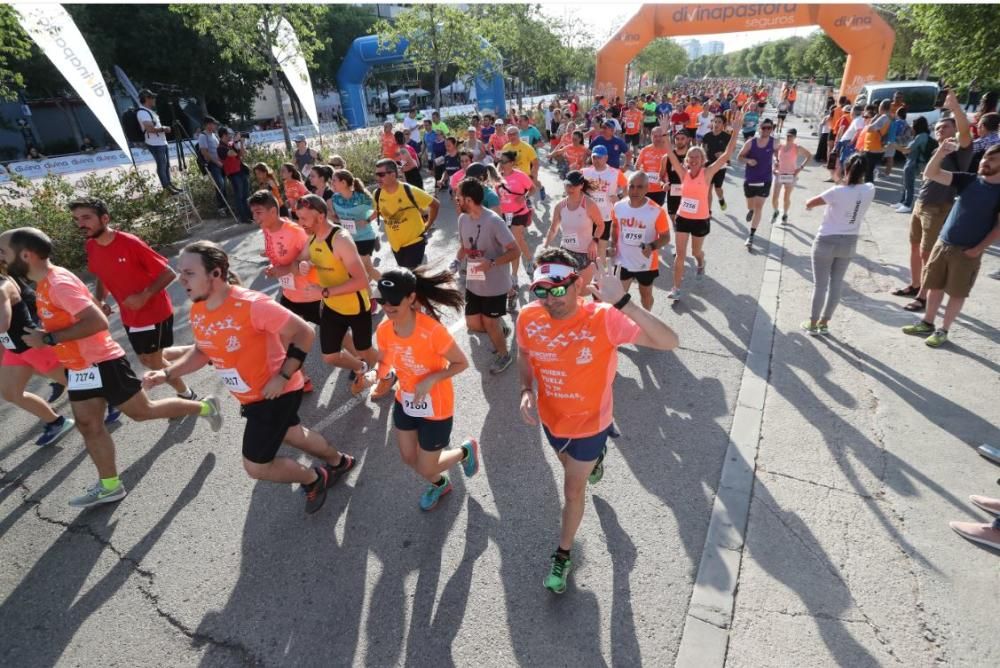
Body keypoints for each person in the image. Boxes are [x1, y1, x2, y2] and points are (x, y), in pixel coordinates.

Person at [7, 227, 222, 508]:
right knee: (87, 424)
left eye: (3, 253)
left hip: (102, 361)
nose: (0, 258)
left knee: (144, 413)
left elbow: (97, 321)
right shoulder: (43, 283)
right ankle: (110, 485)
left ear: (25, 255)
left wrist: (46, 339)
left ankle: (205, 407)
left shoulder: (58, 283)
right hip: (79, 367)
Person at [146, 241, 355, 514]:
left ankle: (315, 478)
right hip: (253, 395)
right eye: (180, 272)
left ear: (216, 274)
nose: (180, 279)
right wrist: (166, 374)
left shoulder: (252, 305)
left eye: (189, 272)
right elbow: (202, 350)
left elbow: (304, 332)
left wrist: (283, 375)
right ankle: (339, 462)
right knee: (293, 434)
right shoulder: (199, 308)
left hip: (275, 394)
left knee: (256, 465)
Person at [518, 251, 679, 593]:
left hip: (591, 423)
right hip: (552, 420)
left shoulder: (605, 317)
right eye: (541, 291)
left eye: (559, 290)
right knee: (570, 468)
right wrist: (525, 388)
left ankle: (563, 553)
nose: (550, 300)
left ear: (577, 284)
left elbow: (669, 341)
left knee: (572, 488)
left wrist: (624, 302)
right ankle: (596, 460)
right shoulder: (528, 317)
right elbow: (524, 352)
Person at [371, 267, 480, 511]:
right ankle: (441, 484)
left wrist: (432, 379)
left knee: (426, 466)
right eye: (382, 300)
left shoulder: (431, 331)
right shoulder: (384, 330)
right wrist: (373, 374)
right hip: (405, 400)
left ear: (411, 298)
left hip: (436, 407)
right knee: (409, 458)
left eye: (393, 301)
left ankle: (465, 451)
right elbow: (385, 361)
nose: (387, 306)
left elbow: (461, 363)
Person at [76, 198, 197, 401]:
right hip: (129, 315)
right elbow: (102, 276)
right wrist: (99, 300)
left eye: (86, 217)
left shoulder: (129, 242)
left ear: (105, 218)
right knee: (148, 358)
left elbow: (167, 273)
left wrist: (144, 296)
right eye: (77, 219)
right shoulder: (91, 246)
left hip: (153, 312)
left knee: (153, 361)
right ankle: (199, 352)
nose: (81, 224)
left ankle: (187, 395)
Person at [901, 143, 1000, 347]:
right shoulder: (969, 180)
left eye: (992, 159)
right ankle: (927, 322)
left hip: (967, 251)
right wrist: (940, 152)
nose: (984, 161)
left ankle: (943, 330)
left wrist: (977, 250)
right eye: (984, 158)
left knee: (956, 292)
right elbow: (931, 173)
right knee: (934, 286)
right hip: (943, 243)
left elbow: (998, 227)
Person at [294, 194, 384, 396]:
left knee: (366, 351)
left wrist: (324, 291)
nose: (300, 223)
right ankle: (361, 369)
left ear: (319, 216)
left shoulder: (340, 239)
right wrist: (304, 265)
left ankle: (388, 374)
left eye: (304, 219)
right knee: (330, 356)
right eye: (298, 218)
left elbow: (361, 280)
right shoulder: (313, 239)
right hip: (332, 307)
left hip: (355, 306)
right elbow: (300, 261)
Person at [893, 92, 973, 311]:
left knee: (928, 253)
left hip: (938, 207)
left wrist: (955, 109)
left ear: (954, 129)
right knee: (915, 247)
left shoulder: (960, 148)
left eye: (944, 127)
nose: (940, 131)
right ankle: (915, 284)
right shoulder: (939, 149)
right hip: (922, 203)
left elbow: (965, 133)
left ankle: (923, 296)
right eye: (937, 128)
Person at [0, 233, 76, 447]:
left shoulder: (3, 287)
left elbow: (2, 324)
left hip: (33, 344)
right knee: (11, 392)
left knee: (78, 383)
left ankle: (116, 401)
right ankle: (56, 422)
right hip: (15, 349)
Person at [660, 113, 742, 299]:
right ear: (687, 160)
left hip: (700, 220)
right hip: (683, 218)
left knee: (695, 251)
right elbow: (670, 153)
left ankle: (700, 261)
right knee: (680, 255)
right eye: (691, 157)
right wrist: (665, 133)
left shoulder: (708, 172)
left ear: (703, 159)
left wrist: (735, 133)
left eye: (697, 156)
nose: (694, 159)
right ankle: (676, 288)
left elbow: (728, 154)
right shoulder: (683, 172)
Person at [800, 155, 876, 335]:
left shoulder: (836, 191)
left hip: (826, 240)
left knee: (820, 285)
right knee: (836, 283)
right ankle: (824, 323)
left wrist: (838, 181)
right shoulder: (870, 189)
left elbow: (809, 203)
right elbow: (854, 191)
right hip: (849, 242)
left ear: (846, 169)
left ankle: (812, 323)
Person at [456, 178, 520, 374]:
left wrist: (491, 263)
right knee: (473, 323)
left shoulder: (494, 221)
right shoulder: (463, 219)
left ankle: (504, 354)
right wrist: (456, 263)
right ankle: (501, 330)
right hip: (475, 279)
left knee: (490, 322)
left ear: (468, 200)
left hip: (495, 282)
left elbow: (515, 251)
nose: (456, 200)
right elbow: (465, 247)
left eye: (458, 197)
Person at [610, 172, 671, 310]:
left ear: (647, 188)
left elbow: (666, 237)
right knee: (617, 299)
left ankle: (647, 320)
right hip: (622, 261)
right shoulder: (618, 207)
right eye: (631, 187)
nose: (635, 191)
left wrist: (652, 246)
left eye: (640, 187)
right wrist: (612, 244)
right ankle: (619, 326)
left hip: (646, 263)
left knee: (646, 297)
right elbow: (614, 227)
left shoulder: (656, 211)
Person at [544, 169, 605, 295]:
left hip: (585, 254)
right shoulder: (560, 206)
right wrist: (545, 247)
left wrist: (594, 241)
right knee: (565, 291)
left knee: (581, 293)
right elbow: (553, 228)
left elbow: (600, 225)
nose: (570, 188)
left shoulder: (589, 204)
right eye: (567, 185)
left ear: (581, 185)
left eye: (573, 185)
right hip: (565, 252)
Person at [372, 159, 439, 270]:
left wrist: (428, 224)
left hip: (414, 241)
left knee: (409, 277)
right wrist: (365, 221)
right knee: (407, 276)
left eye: (381, 174)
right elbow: (379, 213)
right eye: (376, 174)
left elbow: (435, 204)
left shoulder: (410, 190)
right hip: (395, 245)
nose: (378, 178)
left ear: (393, 174)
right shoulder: (377, 194)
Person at [330, 169, 380, 283]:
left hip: (365, 238)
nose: (332, 183)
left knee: (359, 271)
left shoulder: (361, 197)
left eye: (334, 181)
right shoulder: (335, 198)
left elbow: (378, 210)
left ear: (343, 183)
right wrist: (333, 219)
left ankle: (374, 294)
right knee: (368, 269)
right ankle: (386, 290)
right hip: (348, 239)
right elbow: (336, 217)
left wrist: (366, 221)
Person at [582, 145, 627, 268]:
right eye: (594, 157)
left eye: (599, 158)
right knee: (587, 244)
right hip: (588, 215)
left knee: (601, 246)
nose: (596, 160)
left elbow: (627, 187)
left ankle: (600, 275)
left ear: (606, 158)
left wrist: (620, 197)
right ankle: (588, 270)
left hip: (605, 216)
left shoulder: (615, 173)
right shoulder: (585, 172)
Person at [738, 117, 777, 248]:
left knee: (759, 207)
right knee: (751, 205)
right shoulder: (751, 142)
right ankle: (750, 210)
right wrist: (748, 161)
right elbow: (740, 157)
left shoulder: (774, 143)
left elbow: (779, 156)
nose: (766, 130)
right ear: (759, 128)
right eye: (764, 127)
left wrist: (778, 162)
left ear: (772, 129)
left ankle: (751, 235)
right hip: (750, 179)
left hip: (765, 180)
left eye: (769, 128)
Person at [137, 89, 178, 194]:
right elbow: (150, 129)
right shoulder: (142, 112)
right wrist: (164, 129)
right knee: (161, 165)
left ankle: (169, 184)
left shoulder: (149, 111)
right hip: (154, 143)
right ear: (146, 99)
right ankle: (167, 188)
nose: (154, 99)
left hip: (161, 142)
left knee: (166, 165)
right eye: (152, 97)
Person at [770, 128, 812, 225]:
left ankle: (785, 214)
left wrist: (800, 168)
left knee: (786, 198)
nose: (789, 137)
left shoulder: (797, 147)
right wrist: (776, 161)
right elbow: (774, 153)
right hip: (779, 174)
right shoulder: (780, 146)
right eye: (788, 135)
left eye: (791, 136)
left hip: (790, 175)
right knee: (774, 198)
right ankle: (776, 211)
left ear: (795, 137)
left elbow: (809, 156)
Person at [893, 116, 932, 213]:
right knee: (905, 183)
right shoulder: (921, 135)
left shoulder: (921, 136)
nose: (911, 127)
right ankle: (902, 202)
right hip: (911, 162)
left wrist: (893, 145)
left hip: (914, 164)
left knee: (909, 184)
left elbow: (907, 150)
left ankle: (907, 204)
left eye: (913, 125)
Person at [216, 128, 252, 224]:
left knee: (246, 194)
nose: (231, 136)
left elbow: (243, 154)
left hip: (241, 171)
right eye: (229, 134)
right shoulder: (220, 148)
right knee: (239, 196)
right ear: (223, 135)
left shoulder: (231, 144)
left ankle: (249, 215)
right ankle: (243, 217)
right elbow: (233, 153)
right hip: (233, 174)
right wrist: (235, 142)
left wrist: (242, 143)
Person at [701, 115, 733, 213]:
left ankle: (721, 199)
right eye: (715, 122)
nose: (716, 124)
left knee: (717, 188)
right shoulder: (707, 136)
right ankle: (708, 210)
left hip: (720, 166)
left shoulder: (727, 137)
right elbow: (703, 149)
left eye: (719, 122)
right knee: (708, 189)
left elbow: (732, 150)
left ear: (723, 125)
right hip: (708, 165)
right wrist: (704, 159)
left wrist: (723, 155)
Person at [198, 116, 227, 216]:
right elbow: (205, 152)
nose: (215, 126)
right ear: (208, 124)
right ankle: (221, 207)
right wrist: (216, 162)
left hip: (221, 163)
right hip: (213, 164)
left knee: (223, 185)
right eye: (214, 124)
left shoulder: (214, 135)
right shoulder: (203, 136)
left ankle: (225, 205)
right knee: (219, 184)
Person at [635, 126, 670, 206]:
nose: (657, 139)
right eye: (655, 136)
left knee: (656, 212)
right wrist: (640, 171)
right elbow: (637, 166)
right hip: (645, 188)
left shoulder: (668, 151)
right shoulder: (645, 150)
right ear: (651, 137)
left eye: (660, 136)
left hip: (660, 188)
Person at [859, 99, 891, 183]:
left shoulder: (884, 118)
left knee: (868, 171)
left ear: (882, 107)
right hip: (877, 147)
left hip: (873, 147)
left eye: (879, 106)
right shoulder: (888, 117)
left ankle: (868, 190)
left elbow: (870, 128)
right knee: (870, 170)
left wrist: (871, 122)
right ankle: (869, 188)